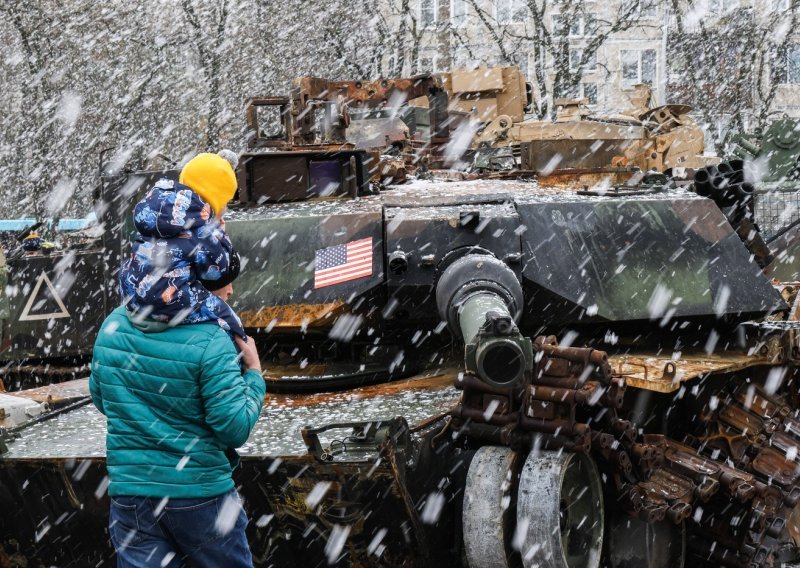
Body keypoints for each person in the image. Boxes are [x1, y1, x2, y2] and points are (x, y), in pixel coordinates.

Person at [89, 248, 265, 567]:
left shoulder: (112, 325)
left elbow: (103, 399)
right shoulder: (211, 340)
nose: (230, 290)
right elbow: (234, 428)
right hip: (200, 495)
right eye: (222, 281)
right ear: (193, 285)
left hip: (131, 496)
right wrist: (254, 374)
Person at [118, 151, 246, 341]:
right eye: (225, 201)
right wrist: (219, 232)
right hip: (170, 302)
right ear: (215, 196)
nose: (226, 207)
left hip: (134, 296)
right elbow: (219, 270)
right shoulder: (202, 227)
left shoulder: (157, 208)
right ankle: (240, 361)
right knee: (231, 323)